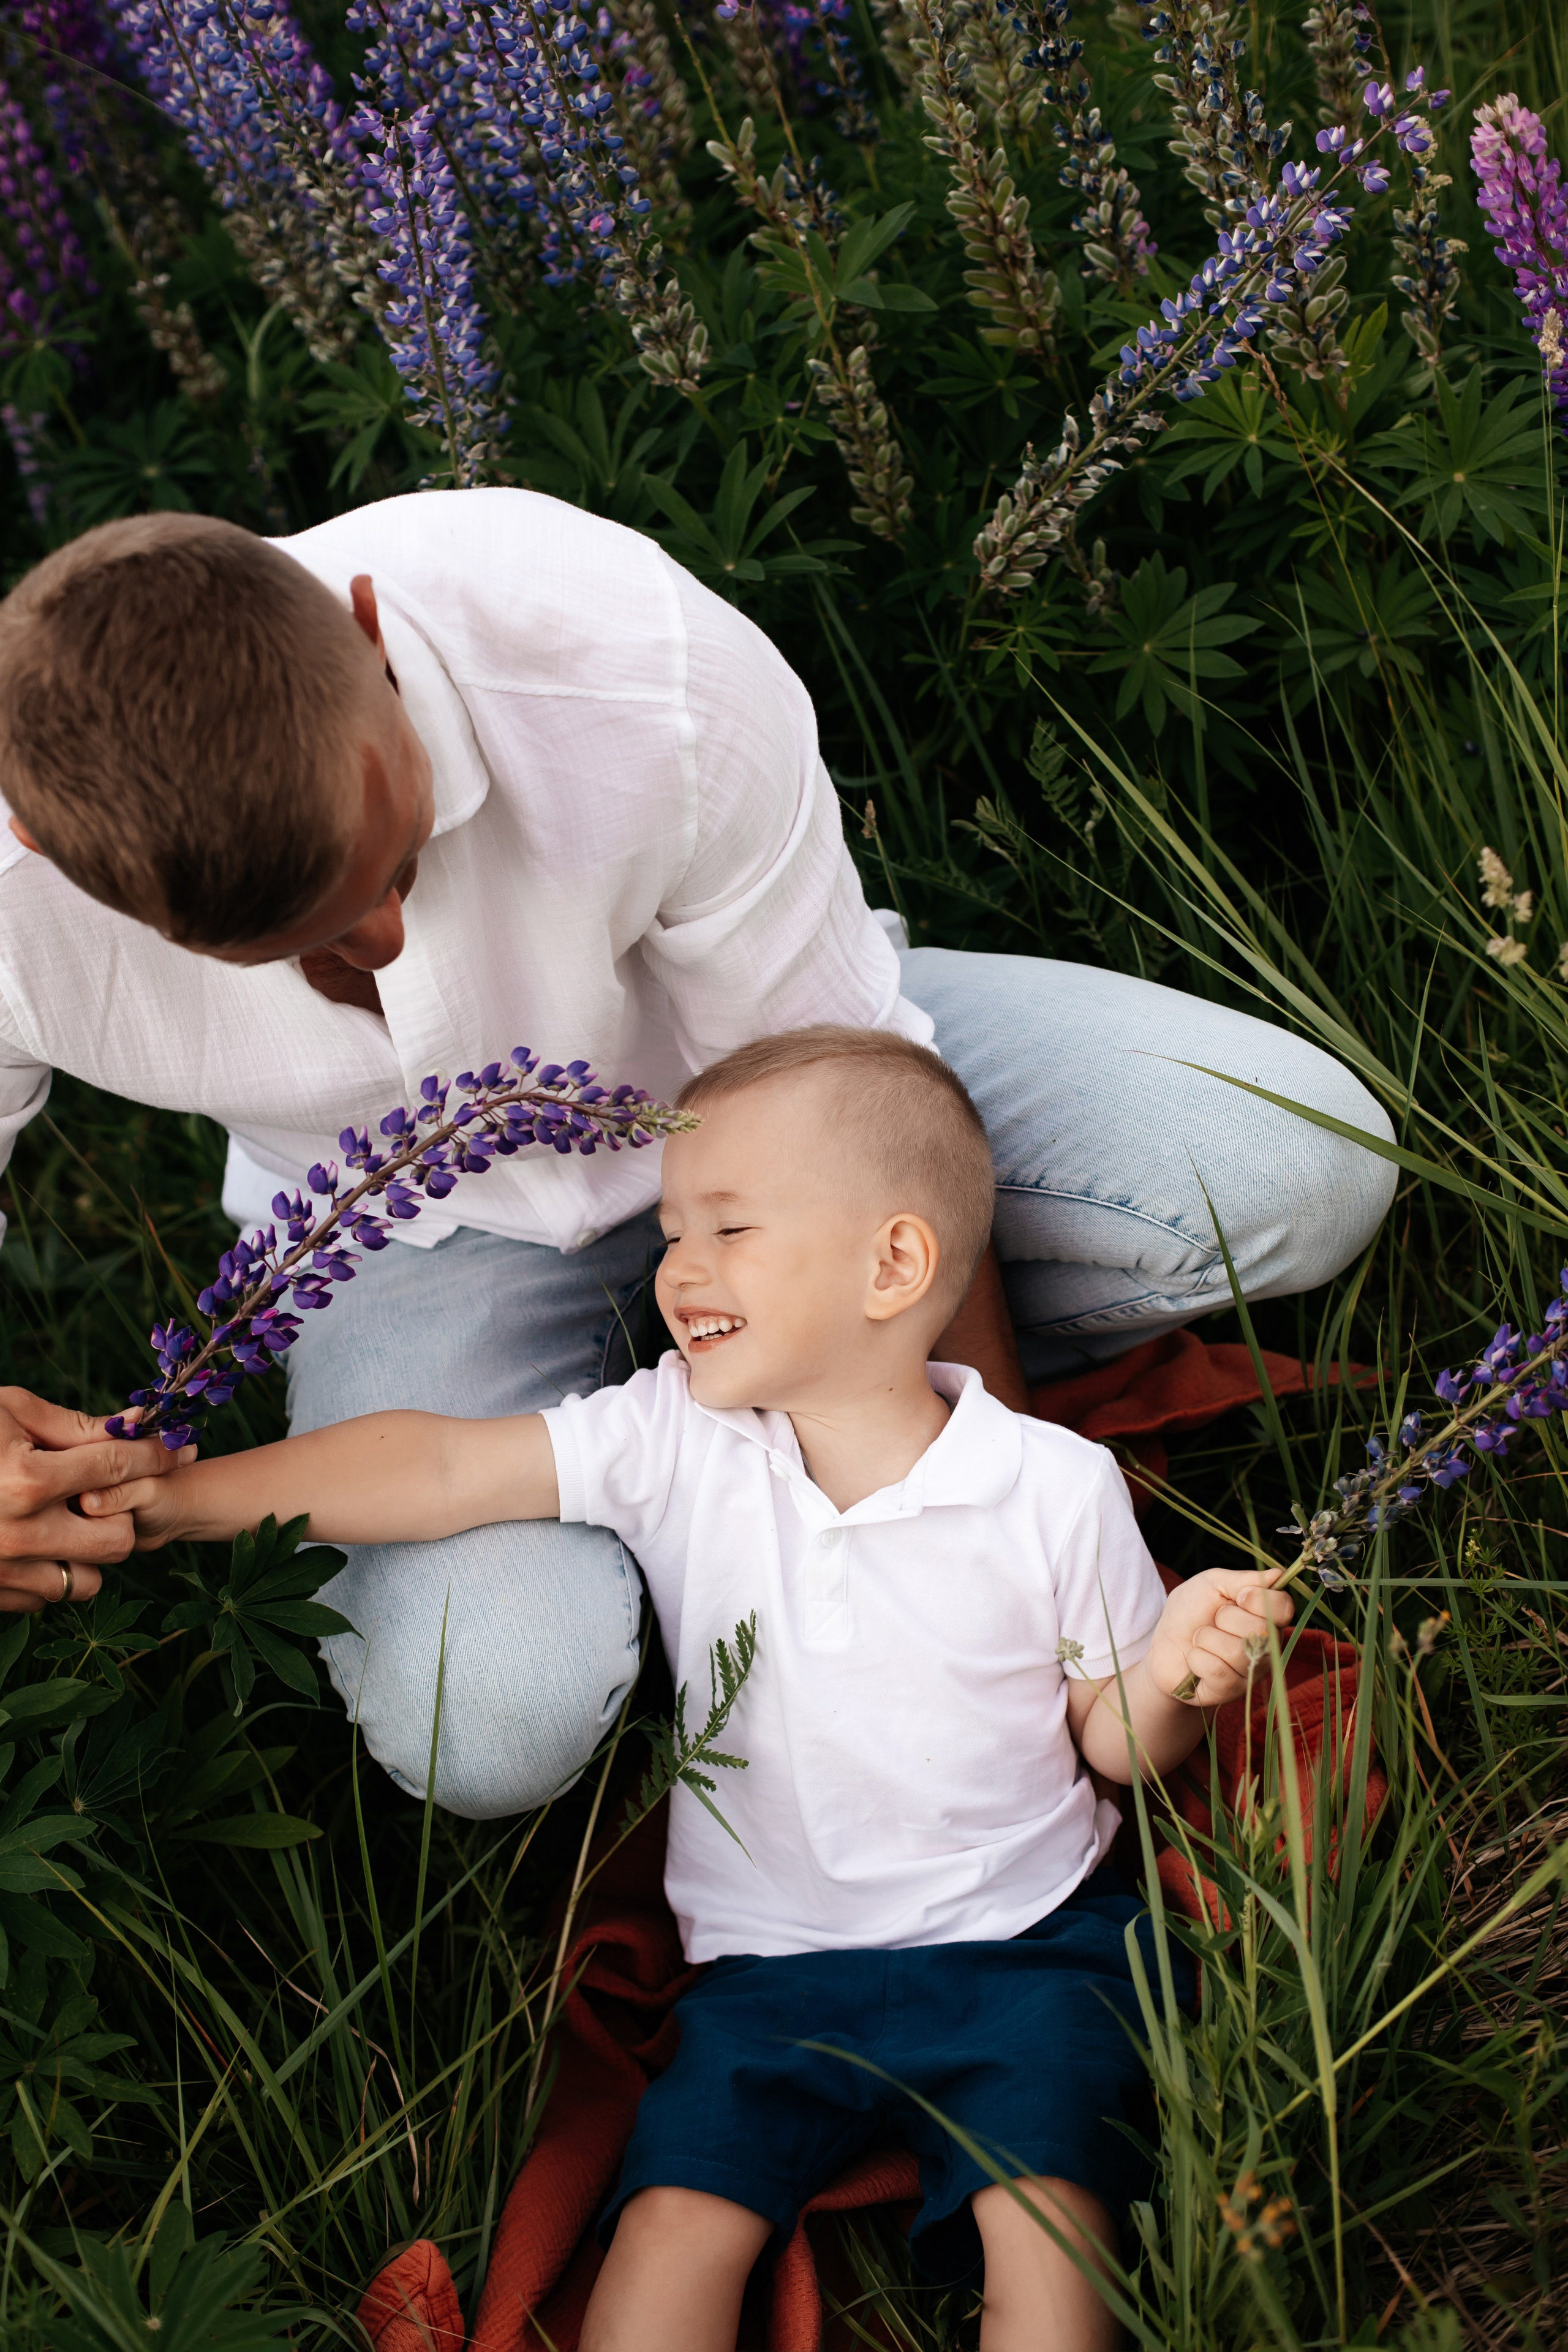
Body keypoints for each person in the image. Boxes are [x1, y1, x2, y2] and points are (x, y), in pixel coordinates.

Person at [0, 495, 1387, 1817]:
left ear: (370, 631)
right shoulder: (15, 892)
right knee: (481, 1721)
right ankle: (712, 1453)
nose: (374, 947)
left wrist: (987, 1537)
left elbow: (849, 1091)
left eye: (393, 867)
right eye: (289, 941)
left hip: (776, 1088)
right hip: (416, 1247)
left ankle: (734, 1436)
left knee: (1299, 1175)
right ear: (50, 853)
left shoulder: (624, 659)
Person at [82, 1027, 1293, 2352]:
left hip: (1022, 1943)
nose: (676, 1272)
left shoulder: (1046, 1485)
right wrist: (175, 1501)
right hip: (765, 1974)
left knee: (1048, 2222)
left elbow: (1112, 1745)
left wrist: (1175, 1669)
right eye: (670, 1232)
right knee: (670, 2230)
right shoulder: (675, 1438)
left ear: (892, 1262)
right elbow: (437, 1468)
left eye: (727, 1229)